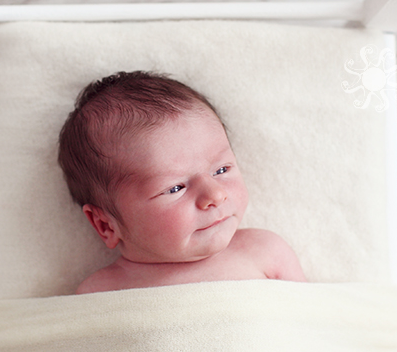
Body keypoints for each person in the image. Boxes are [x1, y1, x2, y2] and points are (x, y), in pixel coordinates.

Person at [58, 71, 306, 294]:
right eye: (175, 188)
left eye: (221, 170)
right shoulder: (100, 292)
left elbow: (315, 322)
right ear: (106, 225)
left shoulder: (264, 252)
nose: (215, 194)